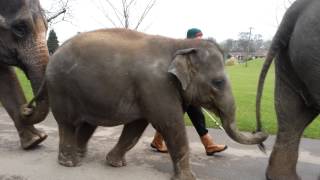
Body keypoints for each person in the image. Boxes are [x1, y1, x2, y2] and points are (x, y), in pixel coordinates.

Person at [150, 28, 228, 156]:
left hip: (189, 93)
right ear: (190, 39)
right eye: (198, 38)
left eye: (202, 37)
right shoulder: (183, 52)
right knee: (174, 118)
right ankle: (158, 141)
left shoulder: (197, 53)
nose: (201, 40)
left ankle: (209, 144)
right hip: (177, 92)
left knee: (196, 115)